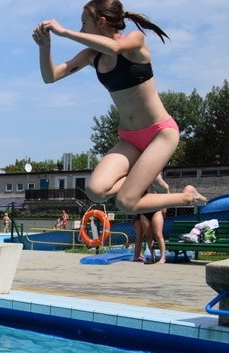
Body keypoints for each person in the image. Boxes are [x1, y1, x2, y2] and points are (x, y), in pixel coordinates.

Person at [33, 0, 206, 215]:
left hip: (160, 133)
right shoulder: (91, 56)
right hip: (129, 139)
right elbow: (50, 77)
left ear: (102, 22)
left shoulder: (135, 40)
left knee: (125, 203)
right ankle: (146, 173)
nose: (81, 29)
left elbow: (115, 47)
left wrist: (64, 32)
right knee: (95, 191)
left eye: (84, 23)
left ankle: (187, 196)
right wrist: (45, 48)